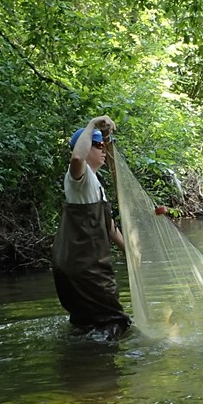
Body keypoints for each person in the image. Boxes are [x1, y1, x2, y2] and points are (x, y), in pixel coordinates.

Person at [52, 115, 131, 337]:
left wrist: (129, 251)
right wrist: (92, 124)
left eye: (103, 145)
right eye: (97, 145)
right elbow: (77, 158)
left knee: (88, 323)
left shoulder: (94, 184)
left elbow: (108, 226)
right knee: (115, 323)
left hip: (78, 266)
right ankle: (100, 367)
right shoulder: (79, 176)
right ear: (86, 147)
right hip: (87, 267)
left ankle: (80, 362)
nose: (103, 150)